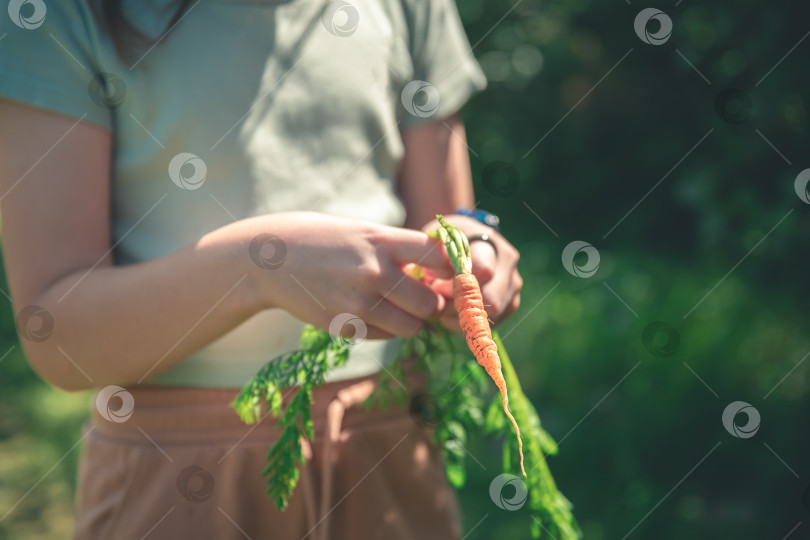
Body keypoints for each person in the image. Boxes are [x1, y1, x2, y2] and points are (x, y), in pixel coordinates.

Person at [0, 1, 522, 538]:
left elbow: (449, 216)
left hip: (390, 441)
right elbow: (56, 338)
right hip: (176, 472)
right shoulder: (62, 15)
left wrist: (475, 247)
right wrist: (262, 265)